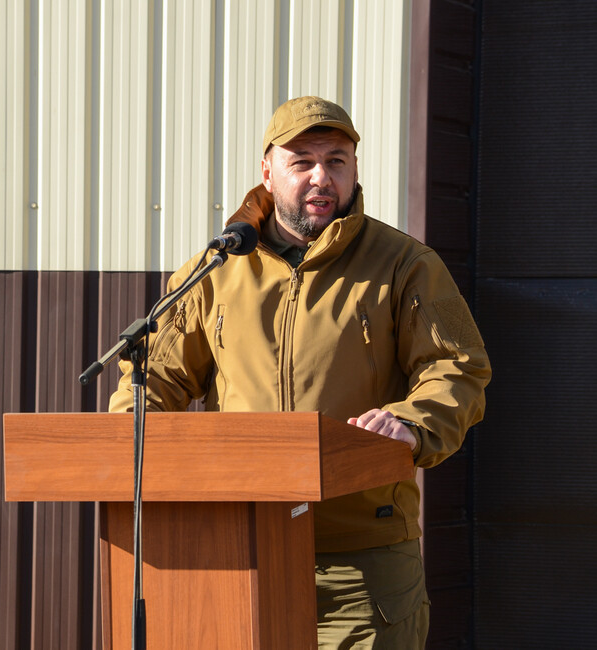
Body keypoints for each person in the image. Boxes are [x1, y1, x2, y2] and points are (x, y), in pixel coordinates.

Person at [109, 96, 490, 648]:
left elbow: (458, 367)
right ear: (268, 172)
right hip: (238, 549)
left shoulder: (406, 264)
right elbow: (154, 379)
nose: (321, 177)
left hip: (362, 563)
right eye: (302, 161)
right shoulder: (214, 270)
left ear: (354, 170)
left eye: (336, 161)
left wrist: (413, 421)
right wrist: (125, 444)